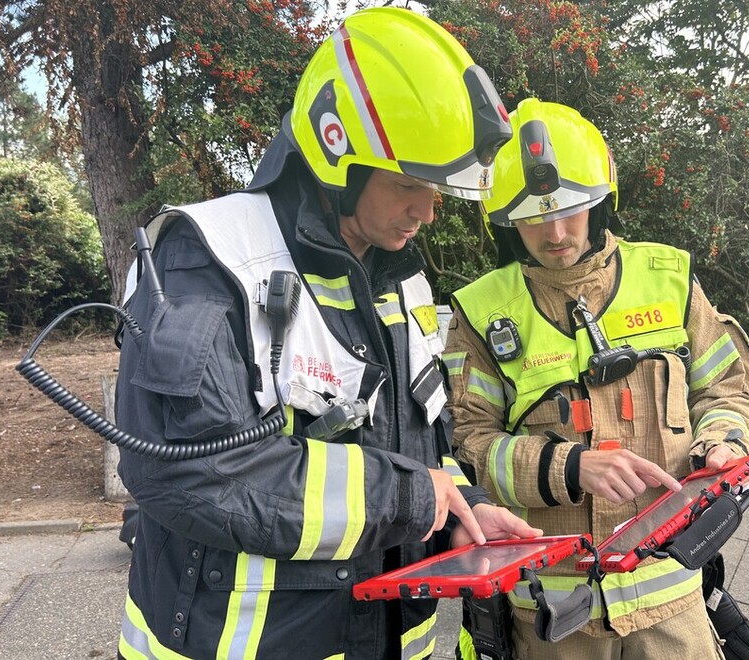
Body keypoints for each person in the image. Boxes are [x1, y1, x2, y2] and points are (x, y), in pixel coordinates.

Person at [113, 9, 542, 660]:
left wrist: (462, 508)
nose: (427, 214)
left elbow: (424, 446)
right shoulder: (207, 259)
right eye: (408, 185)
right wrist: (413, 496)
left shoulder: (404, 283)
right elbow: (193, 476)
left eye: (438, 193)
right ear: (336, 152)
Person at [445, 99, 749, 659]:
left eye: (569, 208)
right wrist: (568, 467)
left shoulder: (669, 279)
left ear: (599, 202)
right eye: (531, 215)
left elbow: (725, 389)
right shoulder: (480, 314)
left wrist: (721, 443)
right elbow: (471, 446)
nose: (554, 231)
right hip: (552, 614)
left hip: (672, 601)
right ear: (504, 220)